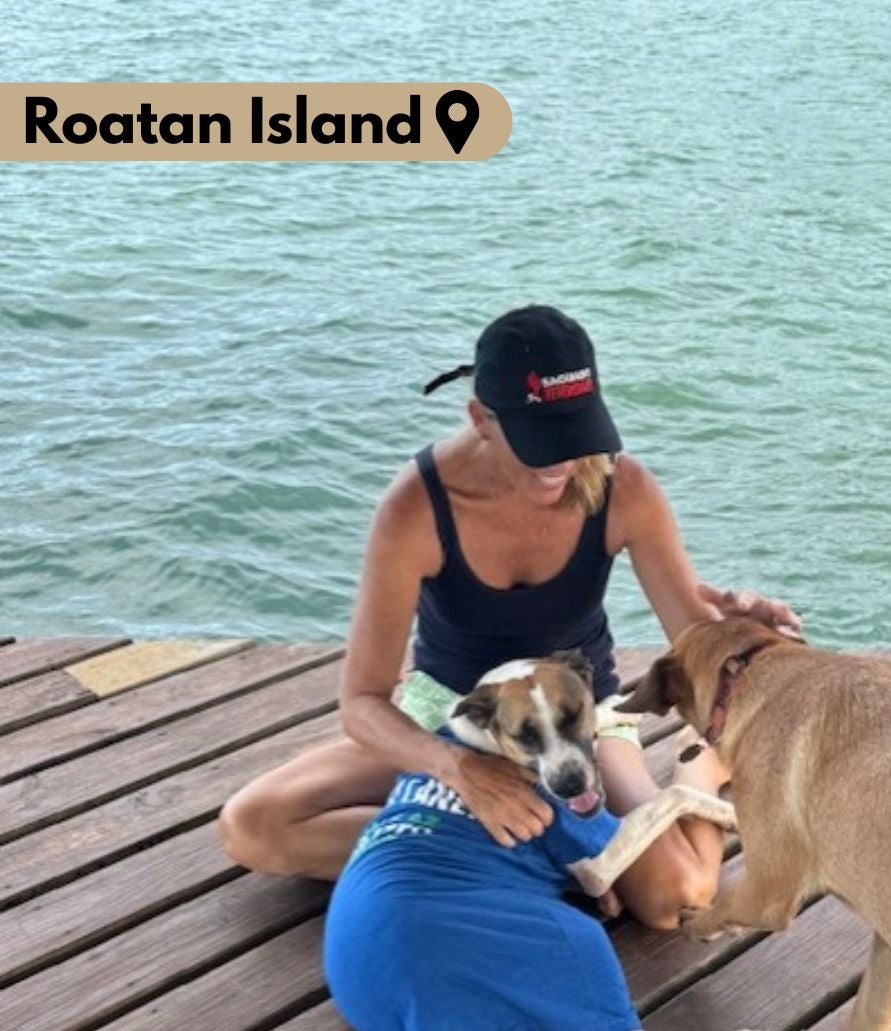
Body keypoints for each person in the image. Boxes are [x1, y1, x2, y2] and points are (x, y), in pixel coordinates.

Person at [219, 305, 799, 929]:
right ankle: (541, 859)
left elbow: (697, 643)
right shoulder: (416, 507)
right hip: (453, 720)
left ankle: (699, 768)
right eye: (539, 442)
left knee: (676, 896)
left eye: (574, 434)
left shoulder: (624, 489)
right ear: (481, 419)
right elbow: (361, 702)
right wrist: (460, 770)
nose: (562, 463)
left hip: (582, 720)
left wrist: (757, 637)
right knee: (255, 826)